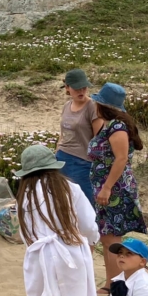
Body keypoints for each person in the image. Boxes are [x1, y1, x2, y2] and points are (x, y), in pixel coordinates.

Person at [15, 145, 100, 296]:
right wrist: (91, 241)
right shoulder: (69, 188)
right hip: (68, 250)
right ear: (53, 167)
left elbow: (25, 233)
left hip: (38, 254)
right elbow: (88, 224)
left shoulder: (25, 195)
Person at [88, 83, 148, 295]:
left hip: (114, 191)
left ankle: (114, 287)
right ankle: (110, 283)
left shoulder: (117, 127)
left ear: (103, 105)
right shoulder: (110, 124)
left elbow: (121, 159)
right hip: (106, 189)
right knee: (106, 239)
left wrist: (106, 188)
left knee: (111, 240)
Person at [57, 69, 102, 207]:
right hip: (61, 159)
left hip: (82, 162)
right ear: (67, 88)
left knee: (87, 204)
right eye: (77, 88)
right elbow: (63, 133)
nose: (81, 91)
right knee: (65, 201)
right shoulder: (66, 106)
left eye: (84, 87)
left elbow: (99, 138)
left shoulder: (92, 107)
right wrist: (57, 151)